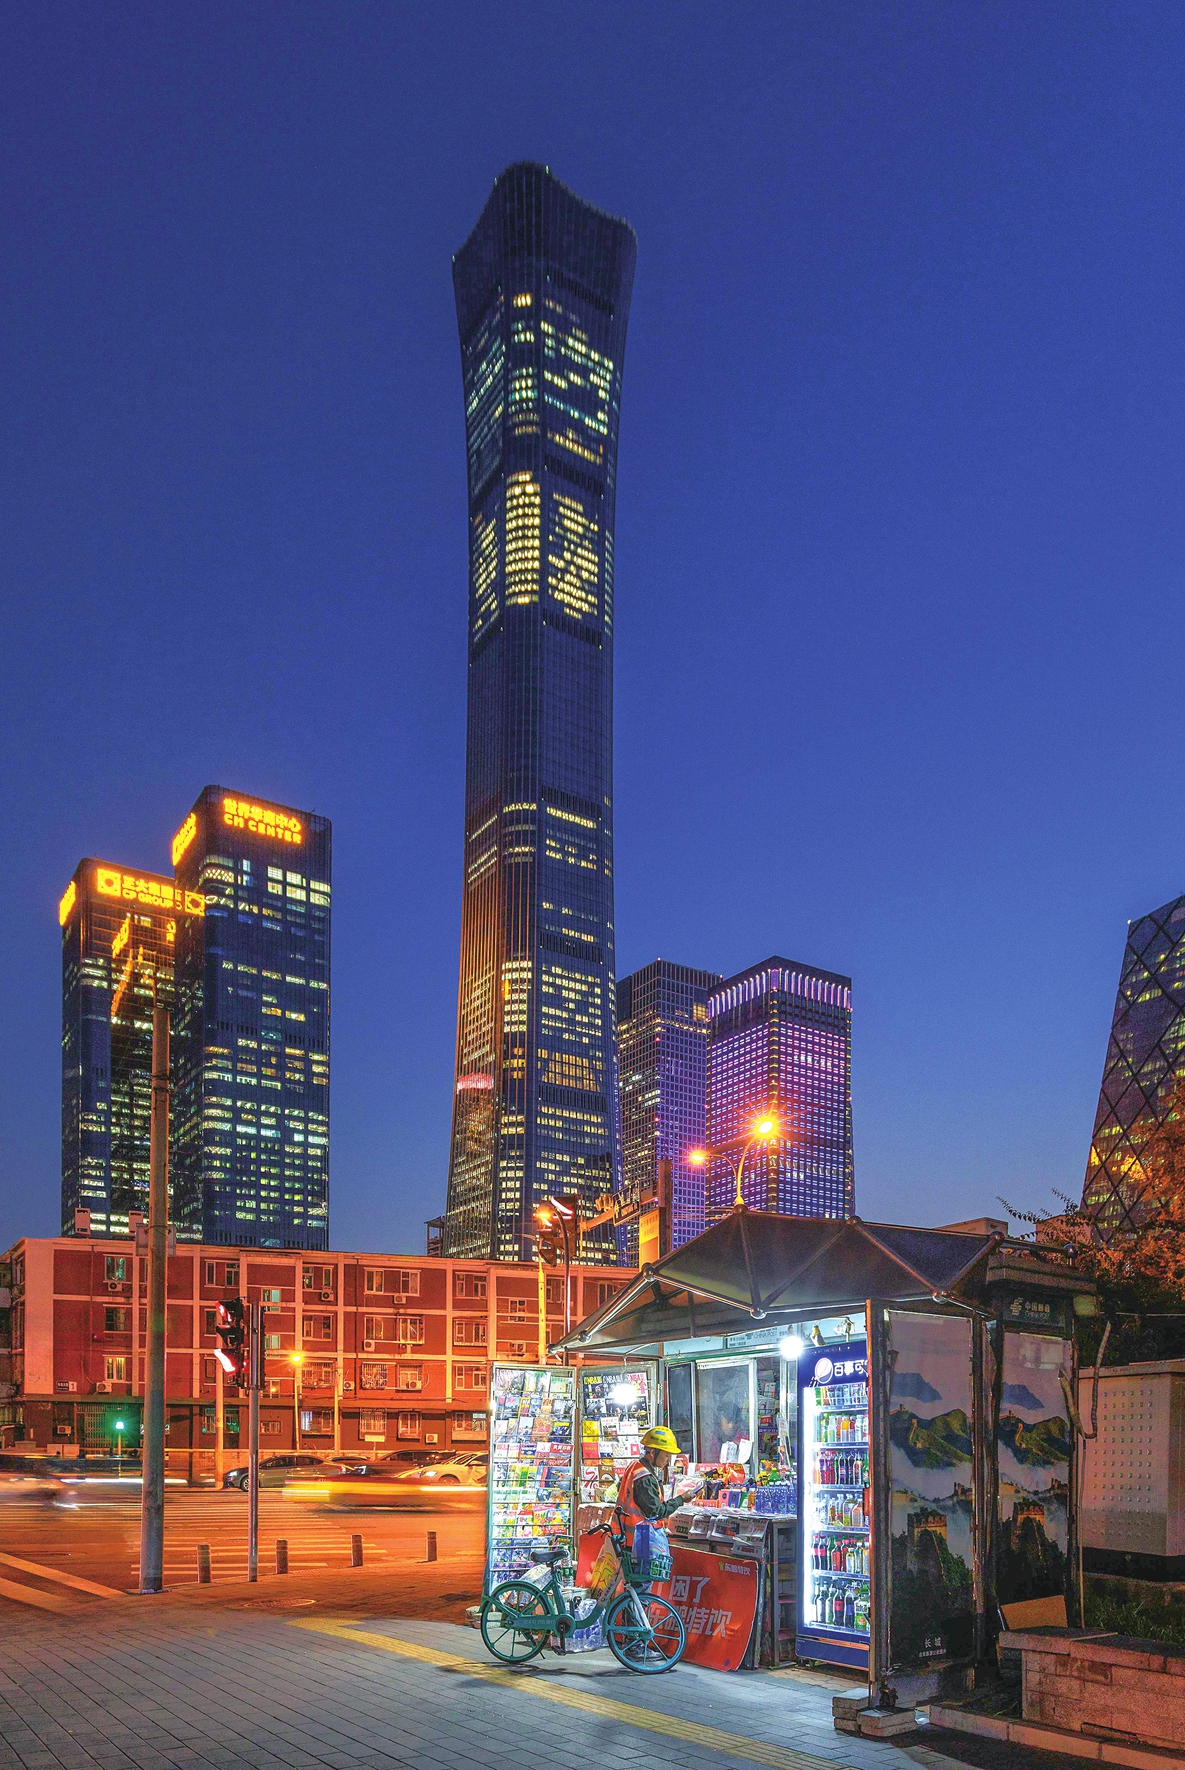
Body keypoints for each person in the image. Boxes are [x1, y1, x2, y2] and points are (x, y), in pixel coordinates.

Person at [616, 1426, 698, 1550]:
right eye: (666, 1455)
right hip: (639, 1544)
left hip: (629, 1540)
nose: (668, 1460)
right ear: (653, 1452)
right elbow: (655, 1511)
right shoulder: (644, 1478)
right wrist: (681, 1499)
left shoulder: (635, 1466)